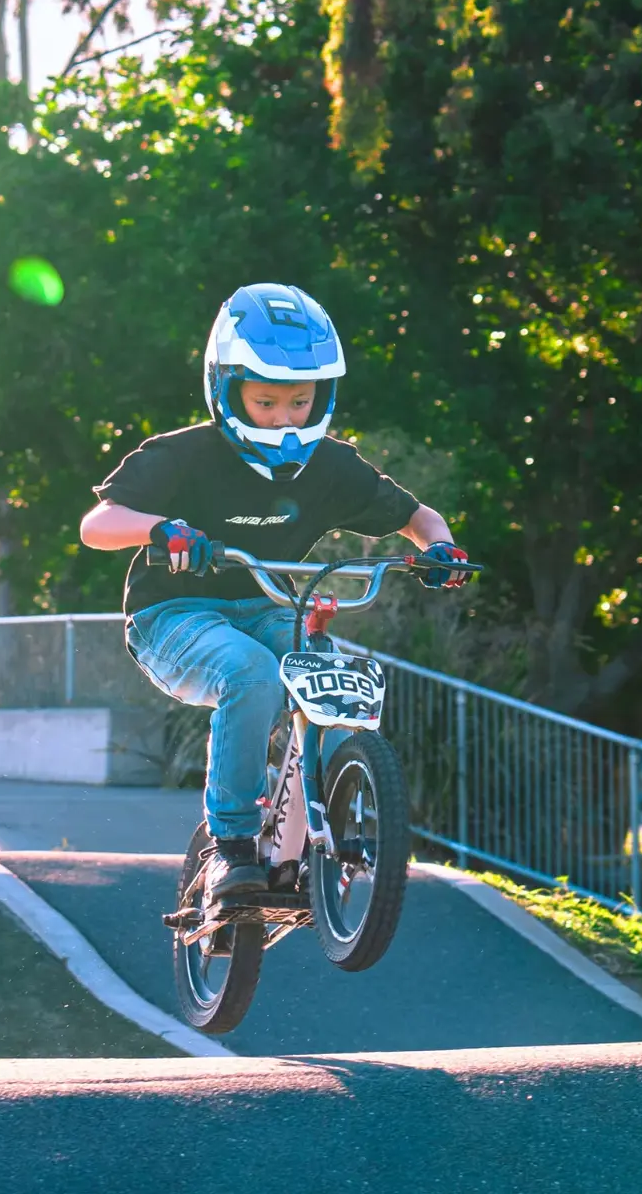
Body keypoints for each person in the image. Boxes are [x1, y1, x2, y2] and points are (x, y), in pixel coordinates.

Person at [79, 282, 471, 902]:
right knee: (252, 673)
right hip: (172, 614)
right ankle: (231, 847)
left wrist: (440, 548)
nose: (285, 418)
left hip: (266, 605)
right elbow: (97, 525)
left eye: (300, 402)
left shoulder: (330, 466)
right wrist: (161, 529)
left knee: (334, 673)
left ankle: (322, 824)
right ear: (226, 387)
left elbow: (417, 517)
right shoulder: (182, 454)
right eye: (265, 401)